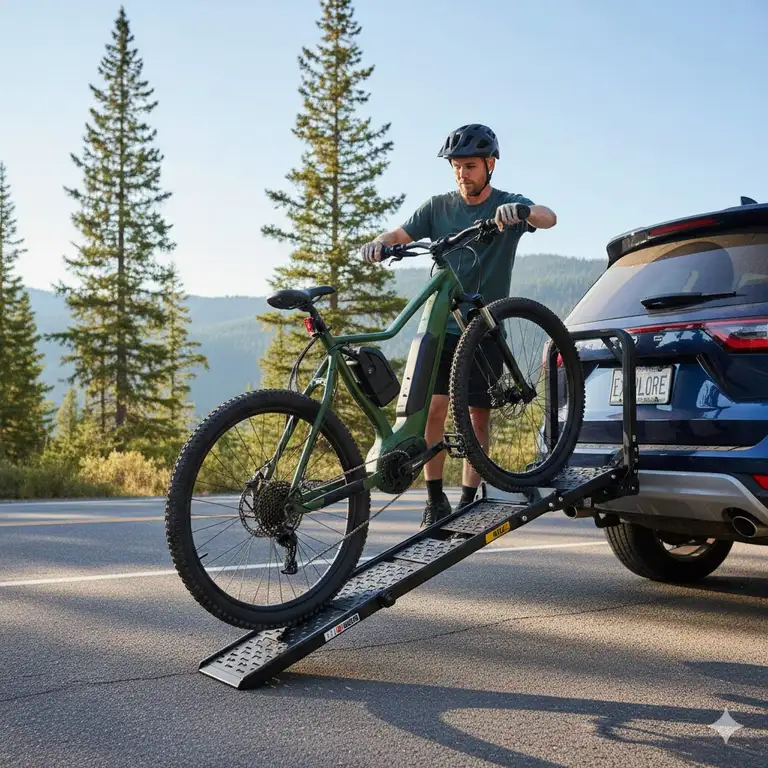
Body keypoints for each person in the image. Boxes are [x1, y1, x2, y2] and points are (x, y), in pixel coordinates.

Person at [361, 124, 557, 526]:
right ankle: (435, 500)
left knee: (476, 416)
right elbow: (398, 233)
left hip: (485, 327)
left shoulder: (505, 204)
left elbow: (548, 217)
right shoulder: (437, 208)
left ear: (490, 165)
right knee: (432, 410)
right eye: (456, 167)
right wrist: (380, 243)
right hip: (442, 327)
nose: (462, 174)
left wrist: (521, 213)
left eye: (470, 166)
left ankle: (468, 499)